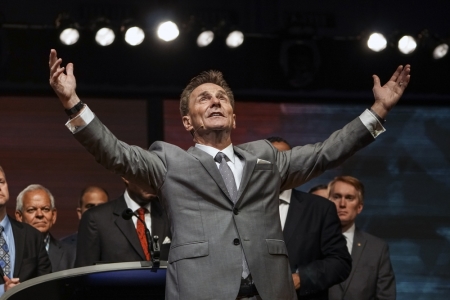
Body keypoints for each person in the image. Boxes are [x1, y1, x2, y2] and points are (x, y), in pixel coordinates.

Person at [49, 48, 410, 300]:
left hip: (272, 292)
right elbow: (114, 153)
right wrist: (72, 104)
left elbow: (326, 152)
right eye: (204, 98)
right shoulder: (168, 162)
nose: (216, 101)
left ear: (234, 118)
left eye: (222, 97)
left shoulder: (265, 157)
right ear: (188, 122)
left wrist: (377, 111)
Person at [269, 137, 351, 300]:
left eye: (285, 158)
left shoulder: (319, 209)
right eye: (271, 159)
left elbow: (339, 262)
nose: (278, 165)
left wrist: (301, 278)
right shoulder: (242, 208)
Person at [75, 178, 171, 267]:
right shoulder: (96, 218)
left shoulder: (171, 215)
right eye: (145, 173)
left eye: (155, 173)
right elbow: (84, 275)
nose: (151, 180)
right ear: (126, 176)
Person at [327, 176, 396, 300]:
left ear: (359, 207)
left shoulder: (377, 249)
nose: (342, 204)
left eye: (349, 198)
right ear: (327, 202)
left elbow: (386, 297)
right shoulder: (310, 242)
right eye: (337, 197)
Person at [0, 166, 51, 296]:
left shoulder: (32, 235)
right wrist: (2, 291)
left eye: (1, 182)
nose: (0, 187)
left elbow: (48, 285)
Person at [15, 184, 75, 272]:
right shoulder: (8, 252)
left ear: (53, 215)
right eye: (31, 210)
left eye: (45, 209)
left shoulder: (71, 254)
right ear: (19, 217)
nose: (39, 214)